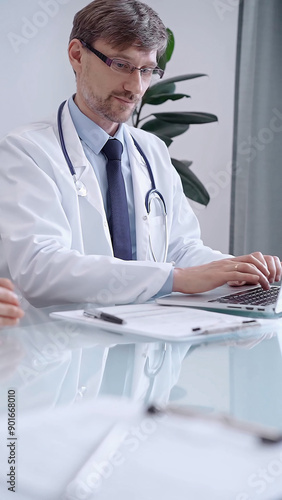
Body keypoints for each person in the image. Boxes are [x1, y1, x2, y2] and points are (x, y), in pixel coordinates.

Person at [0, 0, 280, 308]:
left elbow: (180, 249)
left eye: (147, 70)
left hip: (143, 339)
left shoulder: (152, 150)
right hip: (63, 345)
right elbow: (41, 268)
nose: (135, 87)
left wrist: (234, 270)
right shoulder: (27, 151)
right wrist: (176, 279)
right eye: (121, 65)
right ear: (77, 56)